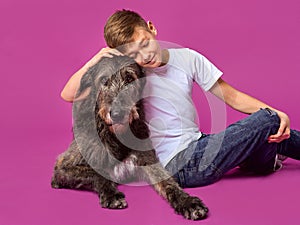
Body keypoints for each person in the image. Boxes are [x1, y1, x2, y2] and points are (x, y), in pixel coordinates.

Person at [61, 9, 300, 188]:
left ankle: (262, 159)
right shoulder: (127, 73)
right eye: (133, 53)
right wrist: (96, 60)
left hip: (199, 144)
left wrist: (279, 115)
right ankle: (266, 151)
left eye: (145, 44)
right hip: (176, 165)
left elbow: (233, 96)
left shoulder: (187, 58)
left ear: (152, 28)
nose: (144, 56)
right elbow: (68, 94)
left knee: (270, 131)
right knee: (267, 121)